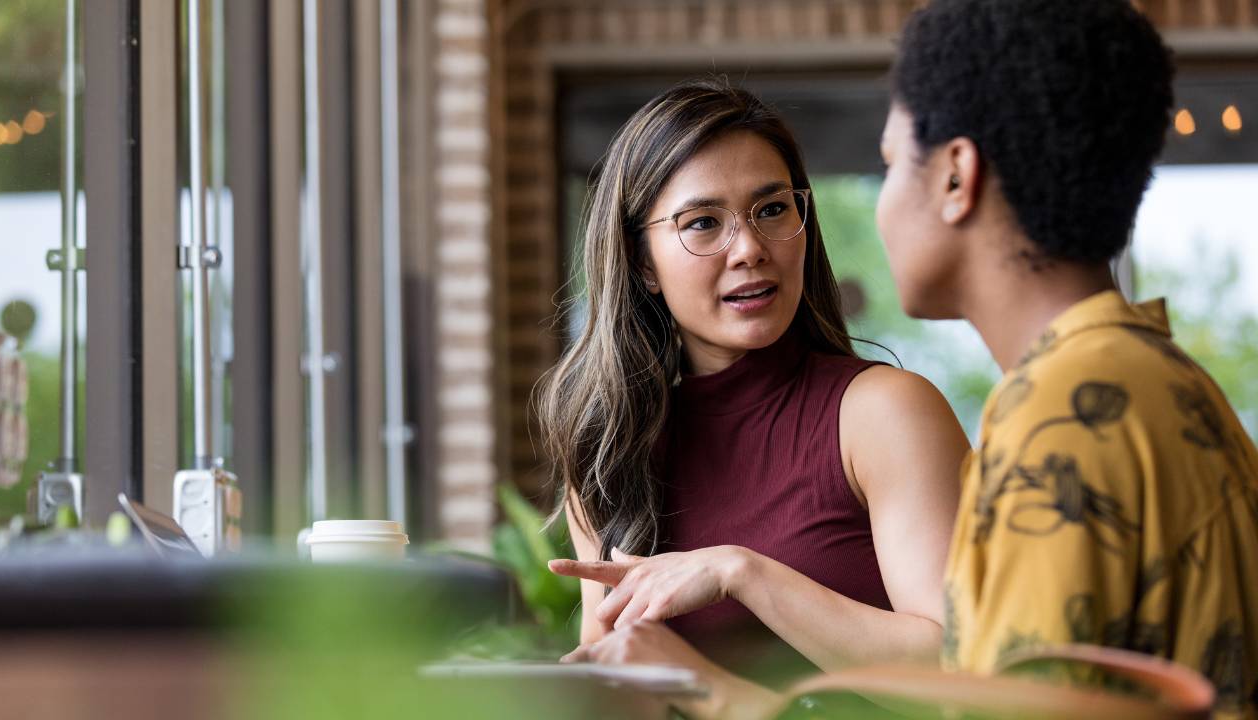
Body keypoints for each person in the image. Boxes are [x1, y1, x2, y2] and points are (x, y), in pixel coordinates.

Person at [537, 79, 969, 716]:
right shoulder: (610, 455)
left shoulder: (882, 413)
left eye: (771, 209)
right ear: (642, 264)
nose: (749, 250)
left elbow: (957, 670)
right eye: (703, 223)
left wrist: (745, 573)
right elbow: (617, 679)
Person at [875, 1, 1258, 717]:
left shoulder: (1064, 415)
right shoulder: (1163, 382)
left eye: (892, 162)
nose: (882, 202)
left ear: (957, 175)